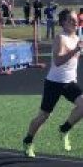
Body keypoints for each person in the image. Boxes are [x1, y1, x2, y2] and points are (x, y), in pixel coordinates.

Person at [22, 9, 83, 158]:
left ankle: (64, 128)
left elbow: (75, 58)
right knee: (44, 116)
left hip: (69, 82)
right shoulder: (60, 38)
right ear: (63, 23)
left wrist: (78, 50)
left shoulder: (77, 37)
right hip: (54, 83)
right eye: (71, 20)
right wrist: (75, 50)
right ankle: (28, 140)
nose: (75, 22)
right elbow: (58, 61)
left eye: (76, 20)